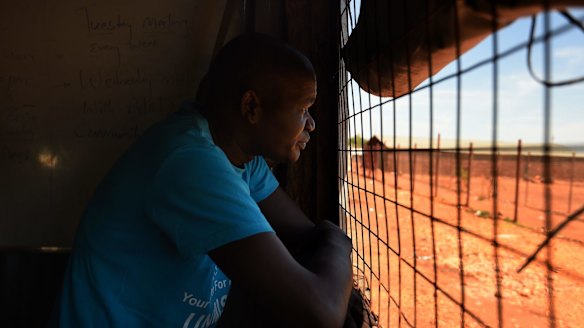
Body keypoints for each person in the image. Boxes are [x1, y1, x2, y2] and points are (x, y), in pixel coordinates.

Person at [50, 33, 353, 328]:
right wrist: (339, 238)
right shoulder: (191, 162)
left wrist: (327, 244)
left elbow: (304, 235)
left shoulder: (242, 158)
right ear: (252, 107)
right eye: (302, 109)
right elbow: (321, 313)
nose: (311, 123)